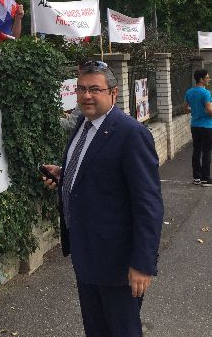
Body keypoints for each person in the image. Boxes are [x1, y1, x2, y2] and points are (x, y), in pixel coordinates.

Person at [42, 60, 163, 337]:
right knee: (96, 329)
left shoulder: (131, 134)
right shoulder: (83, 124)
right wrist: (64, 174)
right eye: (81, 89)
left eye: (95, 89)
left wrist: (142, 263)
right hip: (86, 253)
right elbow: (95, 170)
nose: (86, 95)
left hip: (117, 261)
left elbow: (149, 204)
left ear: (113, 93)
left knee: (122, 330)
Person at [183, 69, 212, 186]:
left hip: (195, 126)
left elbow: (186, 109)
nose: (209, 79)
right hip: (207, 126)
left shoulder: (189, 92)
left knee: (196, 151)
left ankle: (197, 177)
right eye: (207, 77)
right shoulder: (206, 93)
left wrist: (195, 110)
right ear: (201, 79)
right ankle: (205, 179)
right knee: (206, 152)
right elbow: (209, 110)